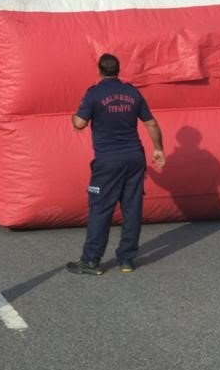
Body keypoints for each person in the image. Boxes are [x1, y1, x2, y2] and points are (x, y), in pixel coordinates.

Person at [67, 53, 165, 275]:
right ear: (118, 70)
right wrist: (158, 149)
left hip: (108, 161)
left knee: (100, 208)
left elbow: (80, 123)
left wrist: (74, 118)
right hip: (134, 157)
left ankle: (91, 260)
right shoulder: (132, 92)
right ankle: (127, 259)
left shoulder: (94, 94)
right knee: (132, 208)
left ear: (99, 70)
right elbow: (151, 123)